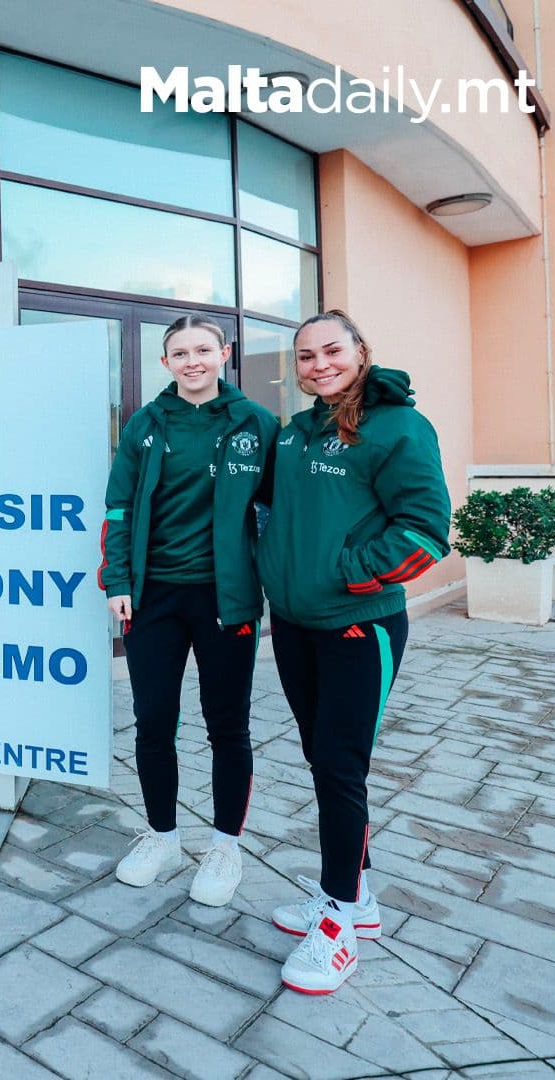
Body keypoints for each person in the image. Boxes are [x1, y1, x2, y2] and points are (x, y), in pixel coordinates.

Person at [256, 309, 449, 995]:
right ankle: (353, 895)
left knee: (341, 768)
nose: (319, 365)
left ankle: (338, 919)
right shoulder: (295, 433)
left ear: (361, 350)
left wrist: (345, 573)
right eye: (306, 356)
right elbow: (272, 516)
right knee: (323, 760)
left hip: (356, 629)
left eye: (331, 350)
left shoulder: (397, 427)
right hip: (294, 626)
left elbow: (426, 531)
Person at [102, 316, 277, 908]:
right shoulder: (145, 425)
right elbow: (119, 506)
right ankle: (163, 837)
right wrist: (117, 579)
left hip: (228, 600)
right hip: (154, 598)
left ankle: (225, 845)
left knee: (227, 724)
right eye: (180, 352)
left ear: (224, 354)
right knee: (154, 722)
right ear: (166, 362)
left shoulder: (258, 424)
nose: (193, 360)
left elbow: (283, 510)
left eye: (203, 349)